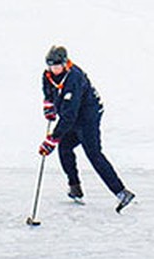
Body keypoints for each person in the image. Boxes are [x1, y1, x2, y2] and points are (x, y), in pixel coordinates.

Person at [38, 45, 134, 212]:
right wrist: (49, 106)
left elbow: (69, 115)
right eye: (51, 66)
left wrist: (52, 139)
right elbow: (48, 91)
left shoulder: (74, 78)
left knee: (93, 154)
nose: (54, 69)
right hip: (72, 116)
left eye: (57, 65)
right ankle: (75, 187)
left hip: (88, 117)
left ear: (65, 63)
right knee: (65, 148)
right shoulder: (48, 76)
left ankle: (121, 192)